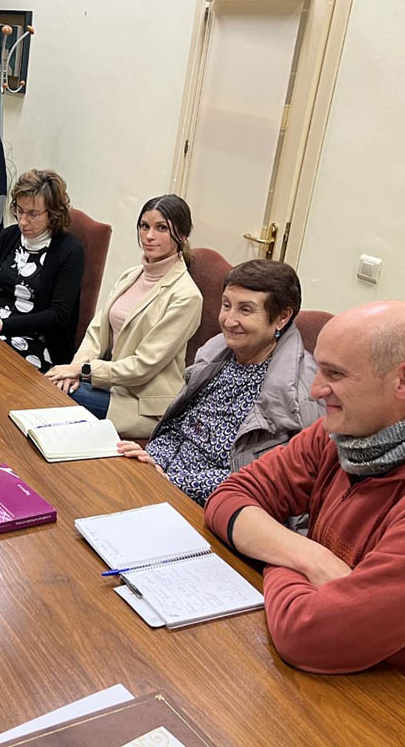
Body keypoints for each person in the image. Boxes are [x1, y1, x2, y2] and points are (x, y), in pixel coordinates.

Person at [204, 301, 405, 674]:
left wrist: (272, 548)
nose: (314, 390)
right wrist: (310, 559)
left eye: (335, 374)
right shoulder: (338, 434)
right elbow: (228, 497)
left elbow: (309, 634)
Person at [117, 260, 324, 505]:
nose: (228, 320)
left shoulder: (301, 393)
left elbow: (265, 482)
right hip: (160, 481)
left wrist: (170, 480)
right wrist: (147, 459)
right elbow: (178, 430)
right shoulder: (216, 353)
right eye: (226, 305)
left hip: (215, 508)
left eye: (245, 310)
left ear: (282, 317)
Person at [45, 194, 202, 439]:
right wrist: (75, 368)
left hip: (141, 405)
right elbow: (97, 332)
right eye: (144, 226)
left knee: (56, 396)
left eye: (161, 228)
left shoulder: (186, 296)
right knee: (54, 383)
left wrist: (83, 372)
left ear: (182, 234)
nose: (149, 236)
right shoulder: (131, 275)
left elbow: (143, 366)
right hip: (109, 384)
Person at [0, 169, 84, 372]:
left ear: (54, 214)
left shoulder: (69, 251)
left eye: (33, 214)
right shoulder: (8, 236)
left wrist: (6, 326)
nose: (22, 221)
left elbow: (58, 315)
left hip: (39, 343)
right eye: (19, 210)